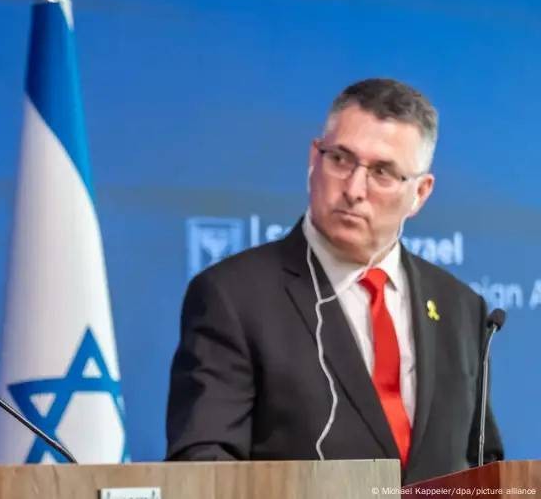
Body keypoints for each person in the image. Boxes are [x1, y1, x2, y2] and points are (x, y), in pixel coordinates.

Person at [166, 78, 503, 483]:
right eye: (341, 159)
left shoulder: (460, 307)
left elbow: (484, 462)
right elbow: (204, 466)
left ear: (420, 193)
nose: (354, 189)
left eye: (382, 172)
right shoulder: (233, 296)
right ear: (314, 158)